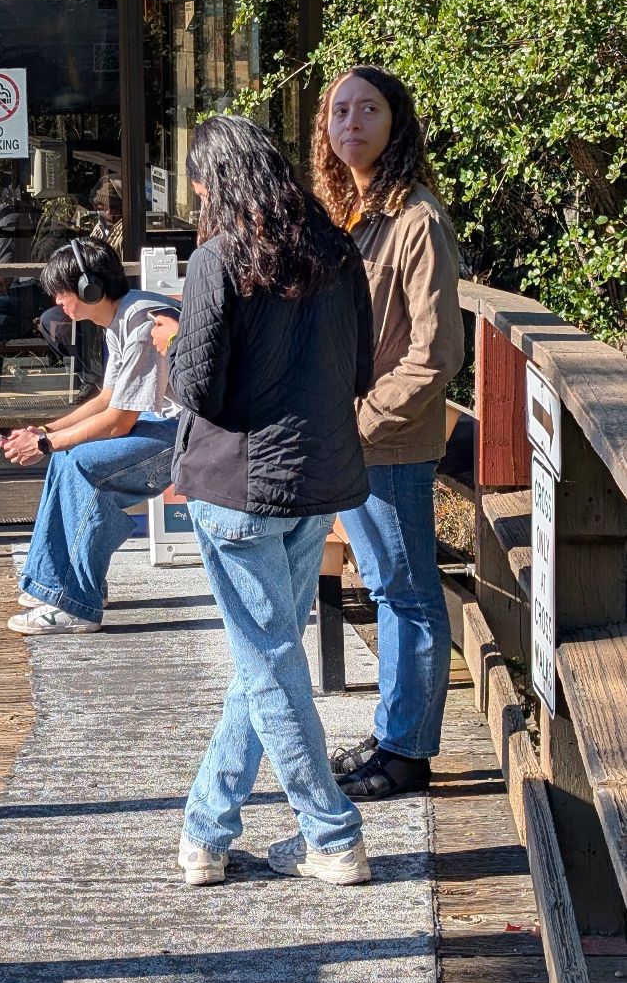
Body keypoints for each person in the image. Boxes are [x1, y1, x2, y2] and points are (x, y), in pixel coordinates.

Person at [167, 114, 374, 888]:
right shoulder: (335, 251)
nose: (195, 199)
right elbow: (360, 369)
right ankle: (206, 833)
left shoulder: (218, 259)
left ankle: (331, 834)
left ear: (217, 182)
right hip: (317, 480)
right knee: (265, 662)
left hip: (237, 488)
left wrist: (168, 346)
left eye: (196, 185)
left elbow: (198, 387)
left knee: (270, 662)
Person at [313, 66, 464, 799]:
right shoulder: (351, 211)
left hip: (390, 442)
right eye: (339, 110)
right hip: (353, 440)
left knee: (407, 594)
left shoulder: (416, 219)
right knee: (386, 585)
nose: (351, 123)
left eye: (368, 110)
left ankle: (408, 754)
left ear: (396, 123)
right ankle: (394, 730)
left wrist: (361, 423)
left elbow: (437, 353)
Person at [1, 237, 181, 635]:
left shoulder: (141, 321)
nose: (56, 299)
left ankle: (76, 604)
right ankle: (54, 583)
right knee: (69, 456)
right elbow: (108, 398)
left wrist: (46, 444)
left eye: (62, 291)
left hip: (195, 437)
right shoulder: (121, 316)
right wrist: (47, 431)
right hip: (173, 429)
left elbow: (119, 422)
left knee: (82, 463)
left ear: (90, 288)